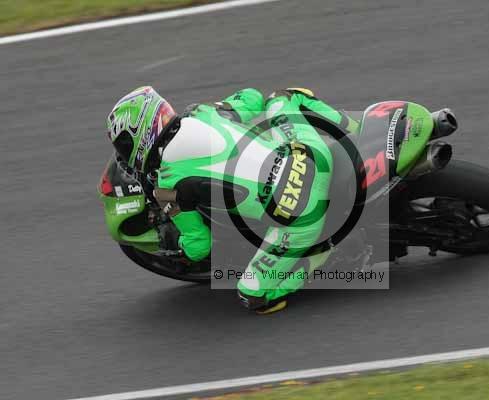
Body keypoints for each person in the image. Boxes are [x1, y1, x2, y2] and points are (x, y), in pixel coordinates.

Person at [107, 86, 359, 313]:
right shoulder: (202, 113)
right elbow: (253, 97)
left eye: (125, 145)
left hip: (300, 214)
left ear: (141, 137)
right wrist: (226, 105)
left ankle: (324, 256)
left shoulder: (167, 184)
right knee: (282, 96)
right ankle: (354, 128)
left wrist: (177, 247)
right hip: (308, 153)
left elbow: (199, 247)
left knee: (252, 296)